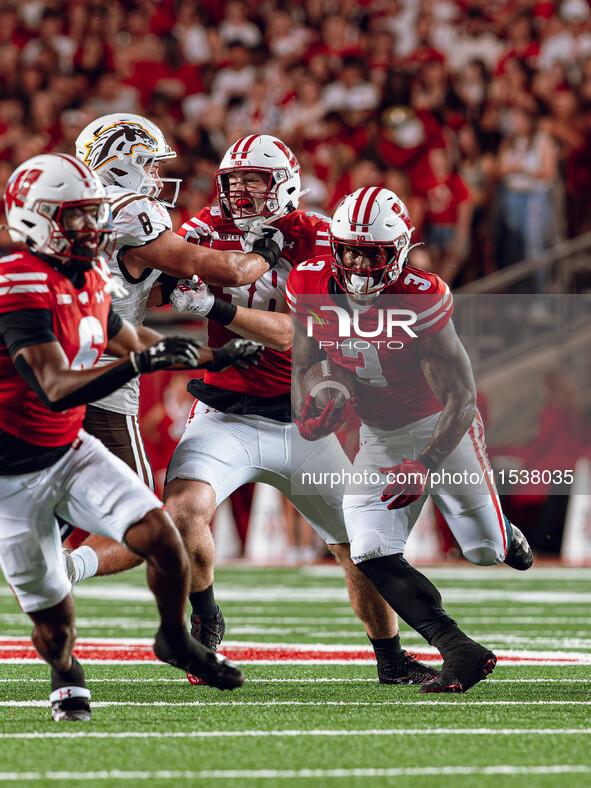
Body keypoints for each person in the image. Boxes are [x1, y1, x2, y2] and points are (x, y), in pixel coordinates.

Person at [162, 134, 439, 686]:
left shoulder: (320, 237)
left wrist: (215, 303)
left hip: (304, 421)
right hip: (226, 414)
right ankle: (207, 614)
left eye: (253, 179)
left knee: (358, 546)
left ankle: (390, 657)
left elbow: (295, 333)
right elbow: (161, 274)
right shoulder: (205, 227)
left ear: (284, 182)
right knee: (183, 513)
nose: (239, 190)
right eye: (233, 179)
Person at [0, 153, 262, 720]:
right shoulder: (15, 281)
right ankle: (66, 674)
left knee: (160, 533)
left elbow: (131, 337)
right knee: (53, 622)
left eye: (93, 215)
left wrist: (217, 355)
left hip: (68, 448)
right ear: (32, 220)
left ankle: (173, 636)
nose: (92, 229)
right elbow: (52, 385)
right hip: (12, 470)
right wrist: (139, 366)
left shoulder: (91, 274)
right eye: (75, 218)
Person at [286, 186, 534, 693]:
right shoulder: (308, 283)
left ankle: (504, 532)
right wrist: (307, 407)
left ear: (397, 251)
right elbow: (304, 362)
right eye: (349, 250)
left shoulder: (420, 295)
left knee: (484, 552)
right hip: (381, 434)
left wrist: (426, 463)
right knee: (369, 545)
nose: (357, 265)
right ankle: (458, 648)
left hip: (442, 427)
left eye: (371, 253)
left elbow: (463, 396)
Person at [61, 112, 283, 583]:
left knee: (58, 495)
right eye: (151, 164)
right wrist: (263, 254)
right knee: (147, 527)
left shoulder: (74, 207)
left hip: (50, 368)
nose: (157, 176)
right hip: (101, 376)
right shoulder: (131, 210)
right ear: (123, 164)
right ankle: (60, 570)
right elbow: (227, 271)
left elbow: (131, 287)